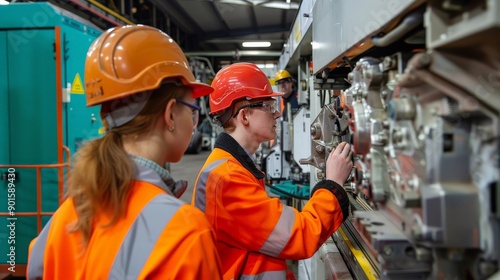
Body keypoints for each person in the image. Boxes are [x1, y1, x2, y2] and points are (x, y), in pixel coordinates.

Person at [26, 25, 222, 279]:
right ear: (171, 113)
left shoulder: (67, 215)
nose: (193, 121)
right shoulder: (186, 232)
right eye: (192, 110)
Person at [192, 62, 353, 280]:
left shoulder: (232, 165)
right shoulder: (228, 178)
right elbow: (300, 235)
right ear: (244, 116)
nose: (277, 113)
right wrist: (333, 185)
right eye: (268, 106)